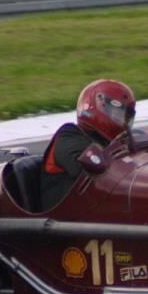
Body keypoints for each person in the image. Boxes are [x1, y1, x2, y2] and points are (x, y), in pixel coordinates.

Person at [39, 78, 136, 211]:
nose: (123, 121)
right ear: (93, 107)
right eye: (117, 114)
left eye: (126, 117)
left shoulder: (114, 141)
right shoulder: (68, 136)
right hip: (68, 217)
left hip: (102, 211)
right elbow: (87, 173)